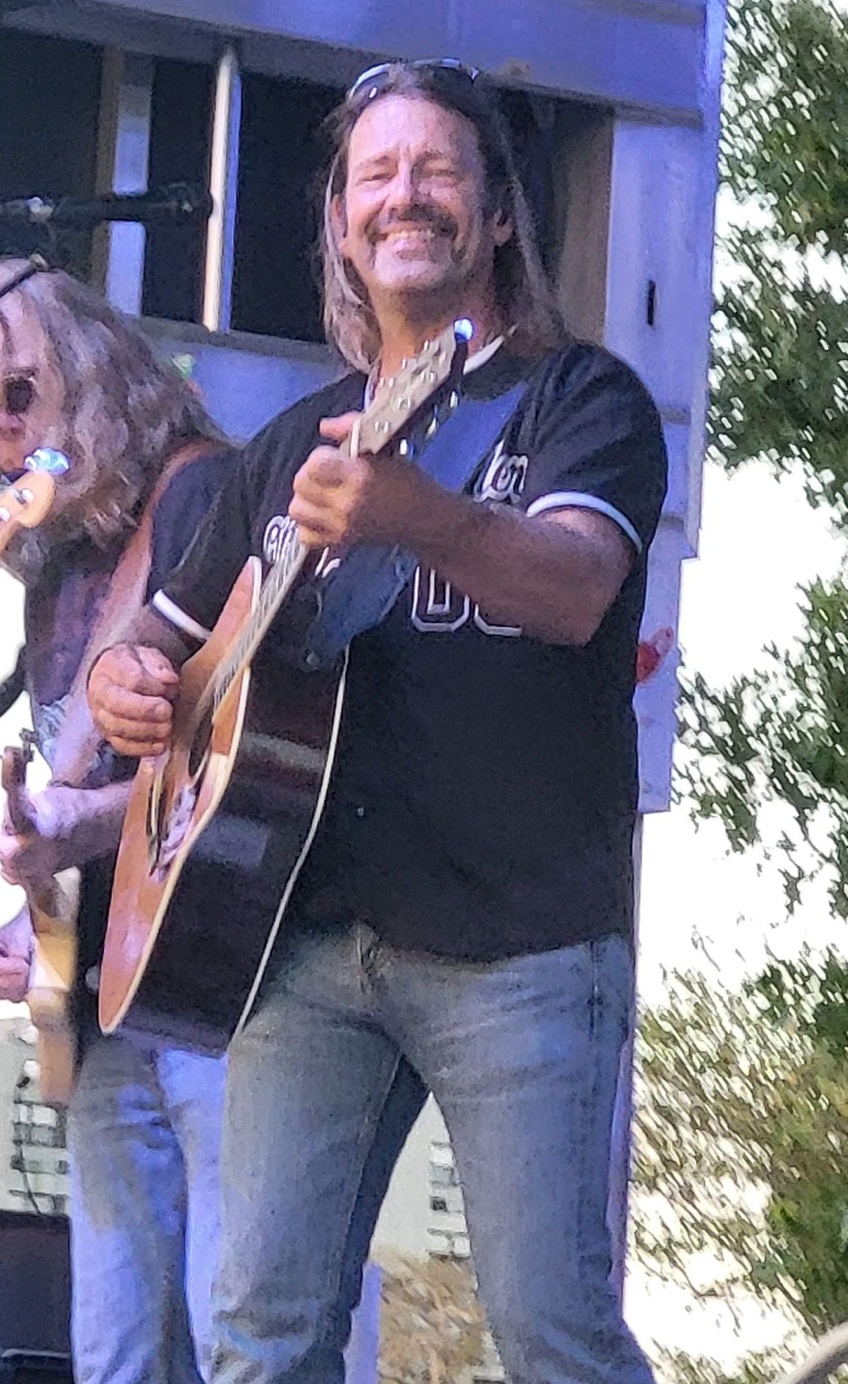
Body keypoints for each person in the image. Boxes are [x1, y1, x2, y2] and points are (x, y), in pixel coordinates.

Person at [88, 60, 668, 1384]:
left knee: (552, 1334)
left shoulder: (583, 401)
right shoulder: (289, 444)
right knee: (260, 1335)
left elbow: (577, 589)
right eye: (375, 175)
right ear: (344, 227)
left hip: (520, 942)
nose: (405, 194)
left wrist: (427, 522)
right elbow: (155, 645)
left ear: (499, 213)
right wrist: (126, 683)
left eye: (439, 169)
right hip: (300, 942)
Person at [0, 258, 426, 1384]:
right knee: (117, 1354)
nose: (4, 431)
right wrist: (40, 904)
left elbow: (240, 758)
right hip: (105, 994)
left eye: (15, 392)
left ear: (87, 373)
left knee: (240, 1332)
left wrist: (79, 827)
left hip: (219, 979)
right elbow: (89, 784)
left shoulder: (198, 499)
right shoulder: (55, 563)